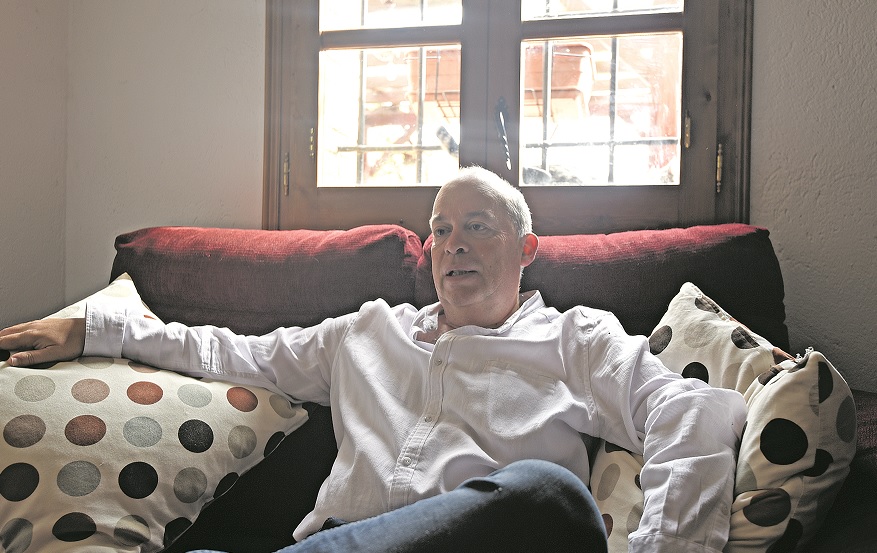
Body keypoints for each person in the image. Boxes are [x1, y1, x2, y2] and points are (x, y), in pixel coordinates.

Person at [0, 167, 747, 552]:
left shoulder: (574, 339)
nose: (453, 244)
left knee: (550, 497)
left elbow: (694, 411)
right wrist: (99, 330)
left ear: (525, 250)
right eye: (441, 229)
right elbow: (232, 352)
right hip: (336, 540)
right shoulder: (365, 333)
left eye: (477, 227)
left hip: (493, 544)